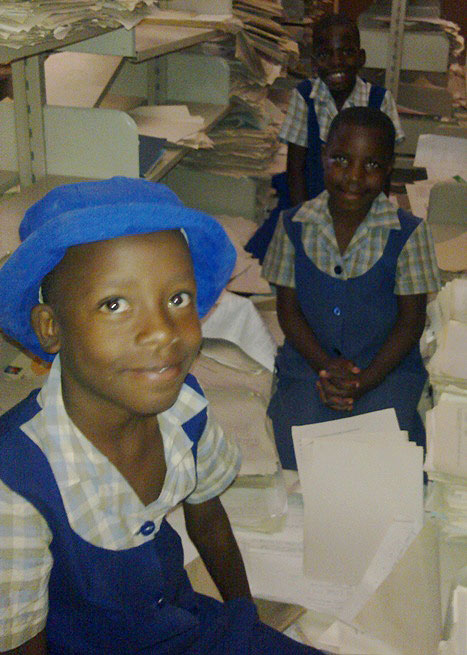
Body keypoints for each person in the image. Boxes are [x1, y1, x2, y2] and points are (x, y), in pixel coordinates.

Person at [0, 177, 322, 654]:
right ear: (51, 328)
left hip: (182, 626)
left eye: (177, 299)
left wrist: (244, 620)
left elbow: (208, 517)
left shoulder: (184, 410)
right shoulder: (18, 479)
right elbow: (24, 640)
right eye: (115, 304)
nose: (160, 333)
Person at [262, 107, 441, 471]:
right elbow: (288, 311)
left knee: (385, 453)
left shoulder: (409, 233)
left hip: (385, 369)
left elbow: (410, 323)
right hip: (310, 365)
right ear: (324, 155)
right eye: (341, 159)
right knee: (298, 452)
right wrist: (325, 367)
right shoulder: (291, 225)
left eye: (372, 165)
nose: (354, 176)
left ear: (389, 168)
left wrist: (367, 380)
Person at [246, 12, 404, 263]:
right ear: (313, 64)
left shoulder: (379, 100)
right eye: (324, 55)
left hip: (361, 199)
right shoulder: (305, 97)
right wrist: (305, 220)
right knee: (275, 254)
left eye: (346, 52)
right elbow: (295, 168)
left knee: (374, 257)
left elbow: (384, 171)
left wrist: (373, 215)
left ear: (361, 57)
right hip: (309, 197)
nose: (336, 61)